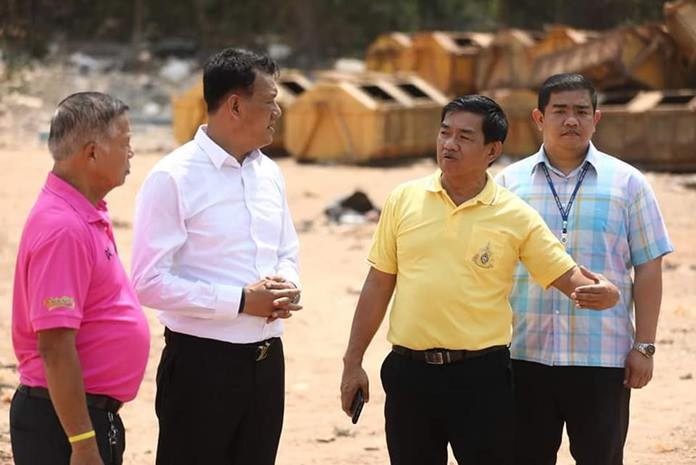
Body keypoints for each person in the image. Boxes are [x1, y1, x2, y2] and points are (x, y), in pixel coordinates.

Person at [339, 95, 621, 465]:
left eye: (464, 137)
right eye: (444, 133)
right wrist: (353, 361)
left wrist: (605, 292)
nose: (449, 144)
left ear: (492, 150)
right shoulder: (403, 199)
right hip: (408, 376)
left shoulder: (515, 215)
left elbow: (565, 273)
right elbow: (378, 283)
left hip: (481, 379)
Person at [131, 48, 301, 465]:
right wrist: (242, 301)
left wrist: (287, 285)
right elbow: (148, 283)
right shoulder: (174, 177)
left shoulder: (269, 173)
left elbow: (286, 250)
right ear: (235, 106)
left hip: (266, 363)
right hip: (201, 366)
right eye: (270, 100)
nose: (278, 110)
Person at [495, 73, 673, 465]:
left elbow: (648, 266)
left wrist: (644, 347)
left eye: (581, 111)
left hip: (602, 359)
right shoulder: (508, 184)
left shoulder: (628, 183)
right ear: (539, 118)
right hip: (524, 356)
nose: (571, 120)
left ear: (597, 118)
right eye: (560, 111)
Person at [10, 92, 150, 465]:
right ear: (92, 152)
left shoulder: (85, 213)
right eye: (125, 143)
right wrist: (83, 442)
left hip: (83, 417)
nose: (131, 153)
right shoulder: (64, 228)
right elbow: (55, 345)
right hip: (62, 425)